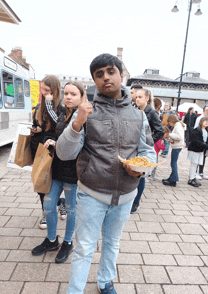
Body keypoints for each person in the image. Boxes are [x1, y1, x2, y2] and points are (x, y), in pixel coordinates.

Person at [56, 53, 156, 294]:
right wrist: (77, 123)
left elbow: (148, 151)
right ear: (94, 80)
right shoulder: (86, 111)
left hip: (125, 195)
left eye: (111, 71)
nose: (105, 78)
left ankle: (105, 282)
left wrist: (141, 168)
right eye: (99, 74)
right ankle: (75, 290)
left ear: (122, 75)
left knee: (112, 244)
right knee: (84, 247)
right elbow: (64, 153)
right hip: (92, 194)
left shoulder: (139, 115)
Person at [32, 81, 85, 263]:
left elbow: (79, 144)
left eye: (74, 94)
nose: (69, 97)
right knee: (48, 206)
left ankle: (68, 243)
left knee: (71, 211)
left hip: (72, 173)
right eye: (66, 93)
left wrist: (58, 143)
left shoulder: (82, 117)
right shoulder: (63, 112)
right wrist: (48, 139)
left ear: (82, 97)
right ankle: (52, 240)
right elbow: (54, 133)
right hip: (55, 169)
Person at [31, 75, 66, 229]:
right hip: (40, 149)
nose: (44, 93)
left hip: (55, 150)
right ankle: (45, 212)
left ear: (55, 90)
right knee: (40, 183)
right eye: (42, 90)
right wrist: (36, 129)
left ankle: (59, 203)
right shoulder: (40, 106)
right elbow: (38, 124)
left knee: (52, 184)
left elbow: (60, 125)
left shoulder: (63, 108)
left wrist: (50, 105)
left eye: (47, 90)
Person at [131, 89, 164, 213]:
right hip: (134, 147)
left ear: (147, 98)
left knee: (141, 175)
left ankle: (136, 202)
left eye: (140, 97)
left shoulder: (152, 112)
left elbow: (160, 131)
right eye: (136, 97)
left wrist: (149, 141)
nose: (137, 99)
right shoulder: (134, 109)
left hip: (145, 148)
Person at [187, 116, 208, 187]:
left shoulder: (206, 131)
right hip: (195, 150)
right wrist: (206, 146)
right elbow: (195, 141)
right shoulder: (196, 130)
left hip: (200, 150)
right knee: (194, 164)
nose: (207, 122)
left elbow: (207, 140)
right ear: (201, 122)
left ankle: (193, 178)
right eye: (205, 121)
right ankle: (191, 179)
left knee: (196, 164)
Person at [162, 114, 185, 187]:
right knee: (173, 163)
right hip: (177, 146)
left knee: (173, 163)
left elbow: (179, 137)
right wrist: (171, 140)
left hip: (177, 147)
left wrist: (170, 134)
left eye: (169, 122)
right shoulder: (178, 125)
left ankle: (174, 180)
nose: (169, 124)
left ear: (172, 121)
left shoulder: (177, 126)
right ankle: (171, 178)